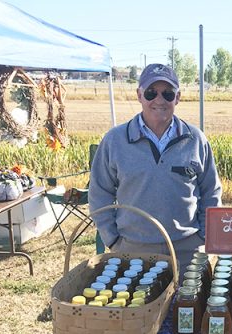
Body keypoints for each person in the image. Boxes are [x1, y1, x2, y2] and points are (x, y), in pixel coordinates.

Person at [89, 63, 222, 272]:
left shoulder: (195, 139)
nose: (159, 100)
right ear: (139, 95)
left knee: (188, 304)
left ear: (178, 98)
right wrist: (114, 240)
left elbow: (211, 192)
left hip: (188, 251)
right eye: (151, 93)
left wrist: (204, 235)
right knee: (140, 304)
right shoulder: (115, 140)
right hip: (133, 250)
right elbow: (99, 193)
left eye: (168, 94)